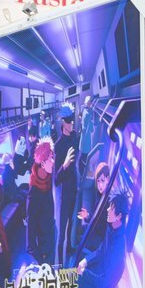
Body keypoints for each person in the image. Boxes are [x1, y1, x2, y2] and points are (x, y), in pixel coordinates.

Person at [54, 103, 81, 265]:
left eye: (72, 121)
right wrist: (64, 166)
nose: (71, 124)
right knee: (62, 228)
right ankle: (59, 262)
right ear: (63, 122)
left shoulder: (75, 136)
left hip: (74, 186)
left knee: (72, 221)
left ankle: (70, 248)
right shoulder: (58, 145)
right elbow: (56, 179)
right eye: (69, 122)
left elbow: (78, 154)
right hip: (64, 192)